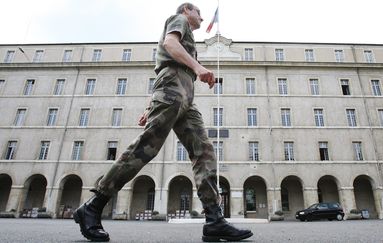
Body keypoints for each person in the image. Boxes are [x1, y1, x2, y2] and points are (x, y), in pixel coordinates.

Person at [73, 2, 253, 242]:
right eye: (198, 12)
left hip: (185, 97)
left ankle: (214, 220)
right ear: (187, 10)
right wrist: (198, 67)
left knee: (204, 151)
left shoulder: (188, 33)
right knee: (147, 147)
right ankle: (94, 206)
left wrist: (150, 107)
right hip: (173, 89)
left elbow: (166, 68)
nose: (201, 17)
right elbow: (169, 45)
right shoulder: (178, 20)